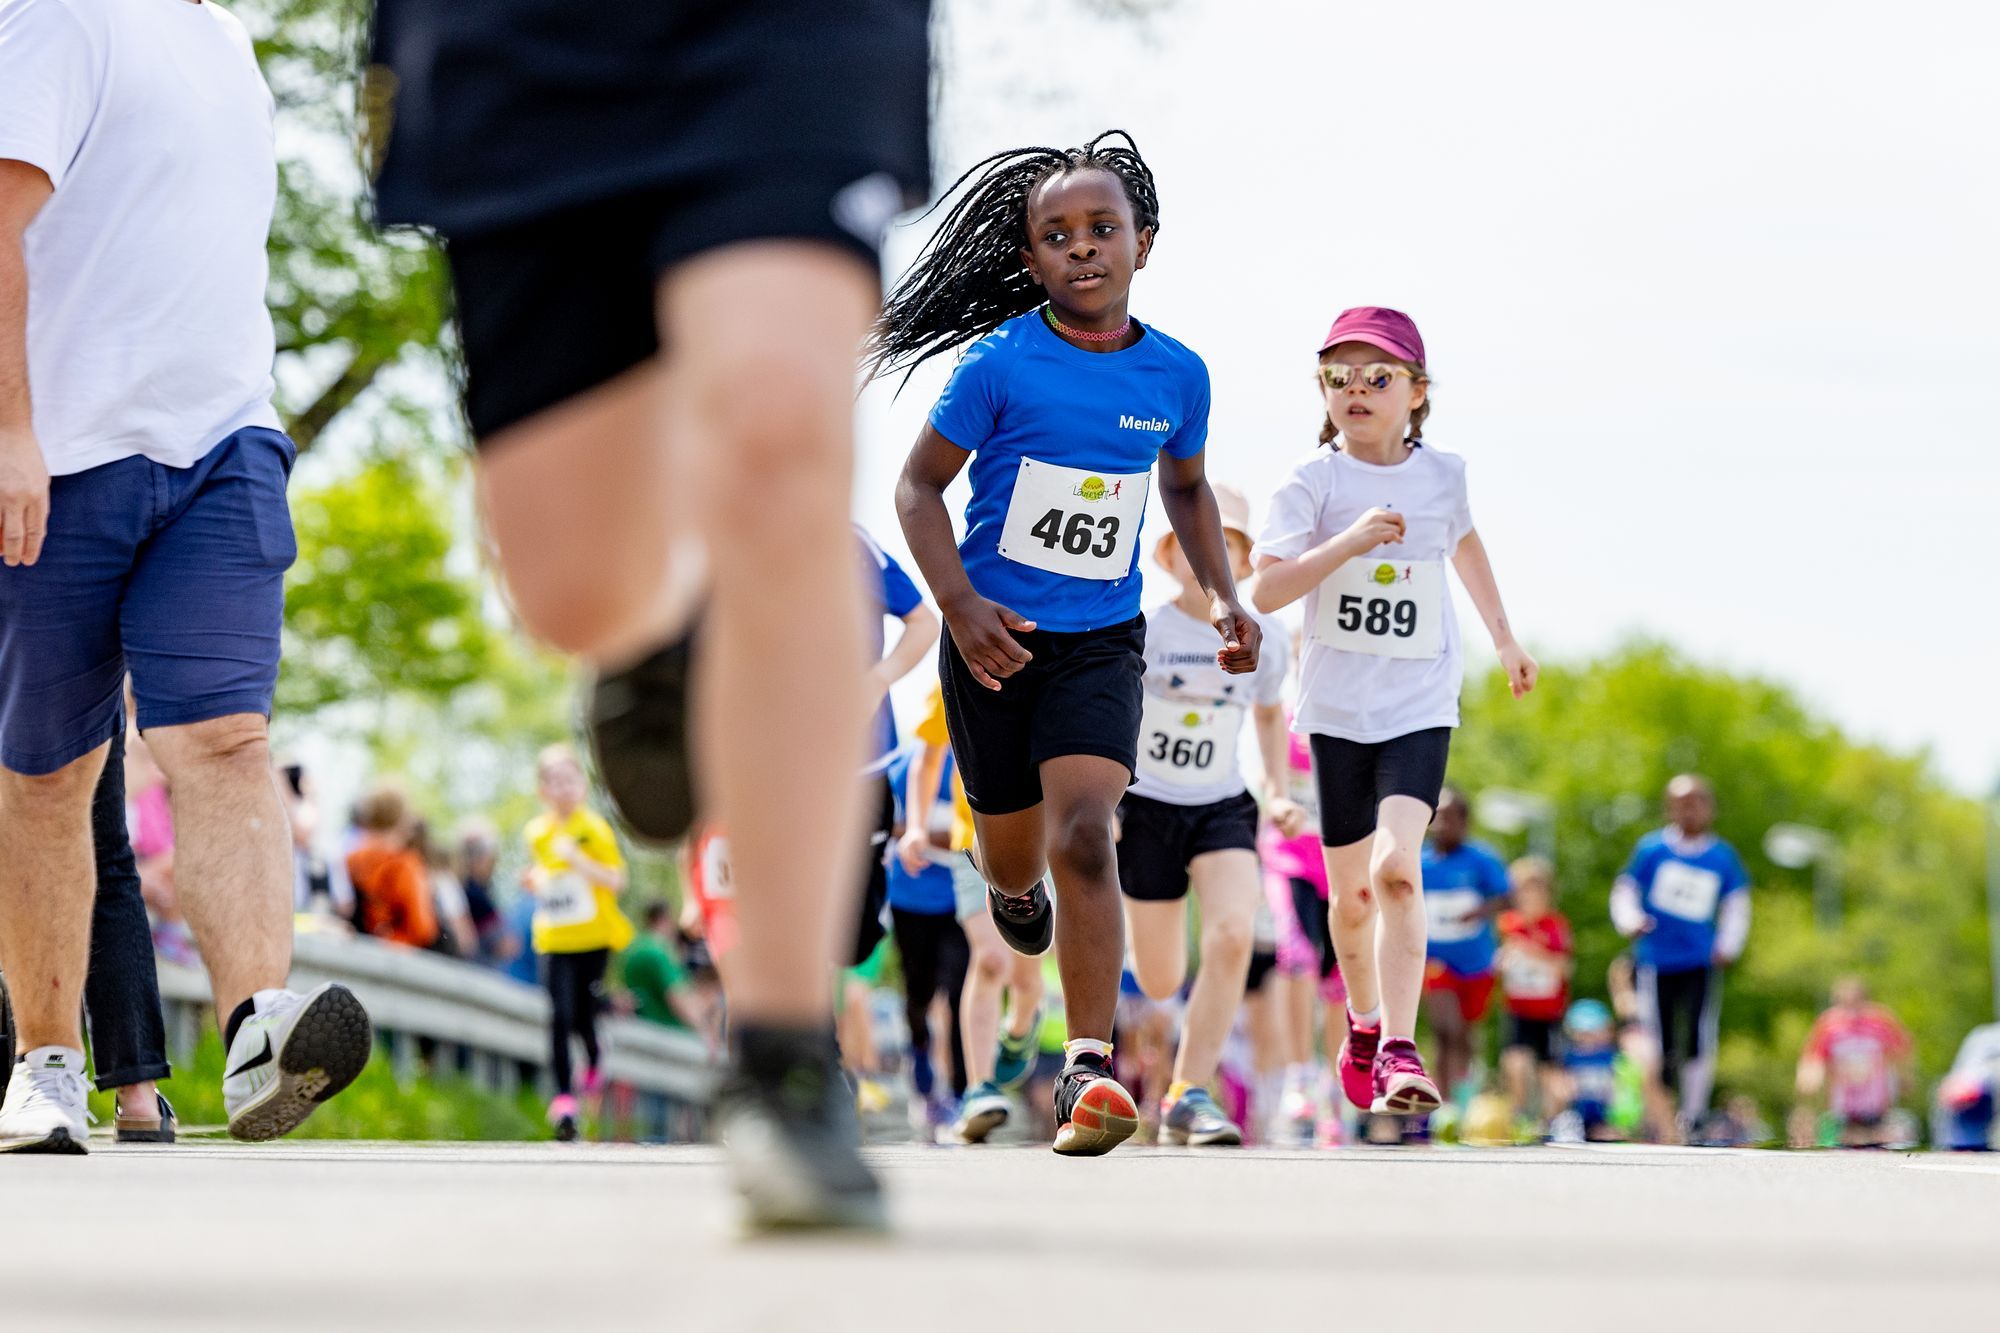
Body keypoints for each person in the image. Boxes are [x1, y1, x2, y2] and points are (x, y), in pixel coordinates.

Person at [368, 0, 930, 1229]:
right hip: (526, 41)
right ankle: (671, 618)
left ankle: (785, 1059)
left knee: (783, 430)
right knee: (569, 585)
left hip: (786, 38)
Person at [0, 0, 371, 1152]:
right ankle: (48, 1063)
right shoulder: (55, 20)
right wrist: (11, 433)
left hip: (224, 445)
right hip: (62, 457)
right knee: (49, 774)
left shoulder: (225, 41)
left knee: (226, 739)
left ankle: (260, 1031)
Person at [877, 131, 1261, 1156]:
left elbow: (1181, 487)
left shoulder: (1177, 374)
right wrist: (958, 607)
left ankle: (1085, 1069)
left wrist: (1222, 596)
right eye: (1057, 236)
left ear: (1143, 241)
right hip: (993, 640)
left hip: (1101, 638)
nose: (1083, 249)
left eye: (1102, 229)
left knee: (1087, 831)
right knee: (1012, 856)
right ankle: (1012, 892)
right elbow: (917, 489)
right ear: (1029, 257)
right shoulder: (998, 364)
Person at [1251, 307, 1537, 1121]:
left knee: (1396, 869)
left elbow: (1465, 543)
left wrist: (1506, 638)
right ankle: (1364, 1023)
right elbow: (1266, 589)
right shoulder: (1313, 484)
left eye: (1378, 377)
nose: (1358, 391)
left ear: (1417, 392)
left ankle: (1402, 1049)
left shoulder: (1443, 475)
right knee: (1350, 903)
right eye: (1339, 377)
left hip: (1419, 703)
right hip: (1338, 713)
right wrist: (1350, 541)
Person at [1117, 484, 1291, 1147]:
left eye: (1225, 542)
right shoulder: (1147, 630)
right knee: (1161, 975)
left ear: (1243, 561)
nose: (1207, 552)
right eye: (1194, 539)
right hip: (1147, 806)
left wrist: (1274, 789)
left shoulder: (1265, 638)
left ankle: (1189, 1090)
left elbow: (1271, 713)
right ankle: (1160, 1063)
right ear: (1170, 553)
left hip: (1222, 805)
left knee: (1230, 934)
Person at [899, 682, 1046, 1146]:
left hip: (1042, 844)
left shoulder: (1057, 656)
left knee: (1026, 979)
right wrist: (917, 827)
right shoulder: (955, 672)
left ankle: (1021, 1027)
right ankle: (978, 1089)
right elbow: (928, 757)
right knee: (990, 960)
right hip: (974, 845)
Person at [1610, 773, 1751, 1124]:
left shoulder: (1721, 856)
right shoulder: (1652, 849)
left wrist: (1728, 944)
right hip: (1656, 959)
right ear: (1669, 808)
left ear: (1710, 808)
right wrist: (1630, 920)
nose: (1689, 811)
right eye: (1681, 804)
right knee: (1658, 1037)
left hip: (1699, 959)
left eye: (1696, 803)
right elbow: (1625, 889)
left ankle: (1694, 1113)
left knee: (1699, 1035)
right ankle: (1659, 1110)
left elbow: (1737, 902)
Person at [522, 744, 633, 1142]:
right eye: (555, 781)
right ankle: (564, 1100)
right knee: (558, 1015)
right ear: (543, 790)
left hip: (593, 938)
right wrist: (534, 879)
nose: (564, 788)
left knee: (584, 1016)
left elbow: (617, 880)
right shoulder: (537, 833)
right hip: (553, 937)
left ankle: (594, 1057)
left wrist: (577, 860)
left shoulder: (595, 829)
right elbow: (543, 873)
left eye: (570, 780)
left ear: (582, 786)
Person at [1258, 714, 1342, 1144]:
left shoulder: (1353, 717)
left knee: (1338, 982)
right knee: (1297, 956)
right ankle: (1298, 1075)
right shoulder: (1285, 722)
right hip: (1291, 860)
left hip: (1342, 863)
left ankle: (1333, 1085)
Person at [883, 748, 971, 1135]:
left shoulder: (974, 757)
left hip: (959, 898)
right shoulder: (903, 768)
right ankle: (919, 1049)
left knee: (958, 991)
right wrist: (944, 834)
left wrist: (928, 835)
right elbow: (884, 823)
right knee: (918, 992)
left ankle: (963, 1094)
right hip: (911, 899)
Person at [1419, 788, 1511, 1101]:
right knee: (1446, 1028)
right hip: (1435, 960)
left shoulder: (1481, 859)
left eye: (1451, 817)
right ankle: (1440, 1101)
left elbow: (1506, 897)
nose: (1443, 825)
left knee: (1465, 1034)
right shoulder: (1420, 861)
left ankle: (1465, 1096)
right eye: (1438, 818)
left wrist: (1480, 911)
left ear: (1465, 821)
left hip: (1476, 963)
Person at [1496, 856, 1573, 1126]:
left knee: (1550, 1071)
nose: (1528, 899)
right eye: (1523, 892)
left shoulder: (1555, 926)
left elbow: (1564, 967)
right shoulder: (1509, 923)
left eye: (1535, 892)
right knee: (1514, 1063)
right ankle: (1520, 1119)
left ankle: (1551, 1121)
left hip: (1548, 1011)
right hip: (1518, 1007)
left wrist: (1532, 952)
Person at [1793, 977, 1912, 1148]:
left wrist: (1905, 1076)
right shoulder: (1829, 1024)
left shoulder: (1880, 1021)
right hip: (1843, 1098)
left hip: (1875, 1098)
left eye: (1856, 1003)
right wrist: (1807, 1078)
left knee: (1875, 1141)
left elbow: (1902, 1048)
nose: (1851, 1010)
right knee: (1845, 1142)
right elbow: (1813, 1055)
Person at [345, 787, 440, 951]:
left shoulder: (350, 860)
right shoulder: (406, 866)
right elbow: (423, 928)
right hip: (397, 960)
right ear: (402, 819)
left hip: (356, 950)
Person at [620, 902, 715, 1045]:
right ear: (665, 920)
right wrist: (705, 1030)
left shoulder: (633, 948)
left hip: (640, 1027)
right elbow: (677, 997)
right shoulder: (659, 954)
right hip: (669, 1034)